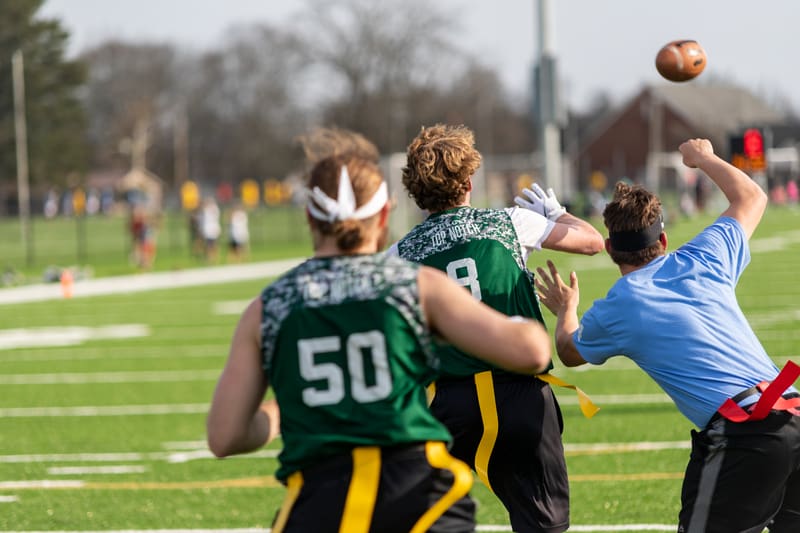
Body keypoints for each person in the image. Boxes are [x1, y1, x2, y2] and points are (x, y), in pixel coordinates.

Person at [206, 128, 554, 533]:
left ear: (308, 217)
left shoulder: (270, 307)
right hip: (420, 503)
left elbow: (224, 436)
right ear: (385, 215)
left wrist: (281, 411)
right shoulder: (412, 285)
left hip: (317, 508)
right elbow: (531, 351)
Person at [535, 138, 800, 533]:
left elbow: (570, 351)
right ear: (663, 240)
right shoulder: (706, 255)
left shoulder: (622, 302)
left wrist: (566, 309)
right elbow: (752, 196)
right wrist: (704, 159)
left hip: (746, 433)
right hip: (793, 410)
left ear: (610, 249)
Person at [388, 123, 604, 533]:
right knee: (544, 524)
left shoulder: (400, 252)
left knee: (426, 520)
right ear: (470, 180)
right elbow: (592, 241)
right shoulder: (510, 223)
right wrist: (558, 214)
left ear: (414, 191)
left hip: (448, 404)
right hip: (522, 396)